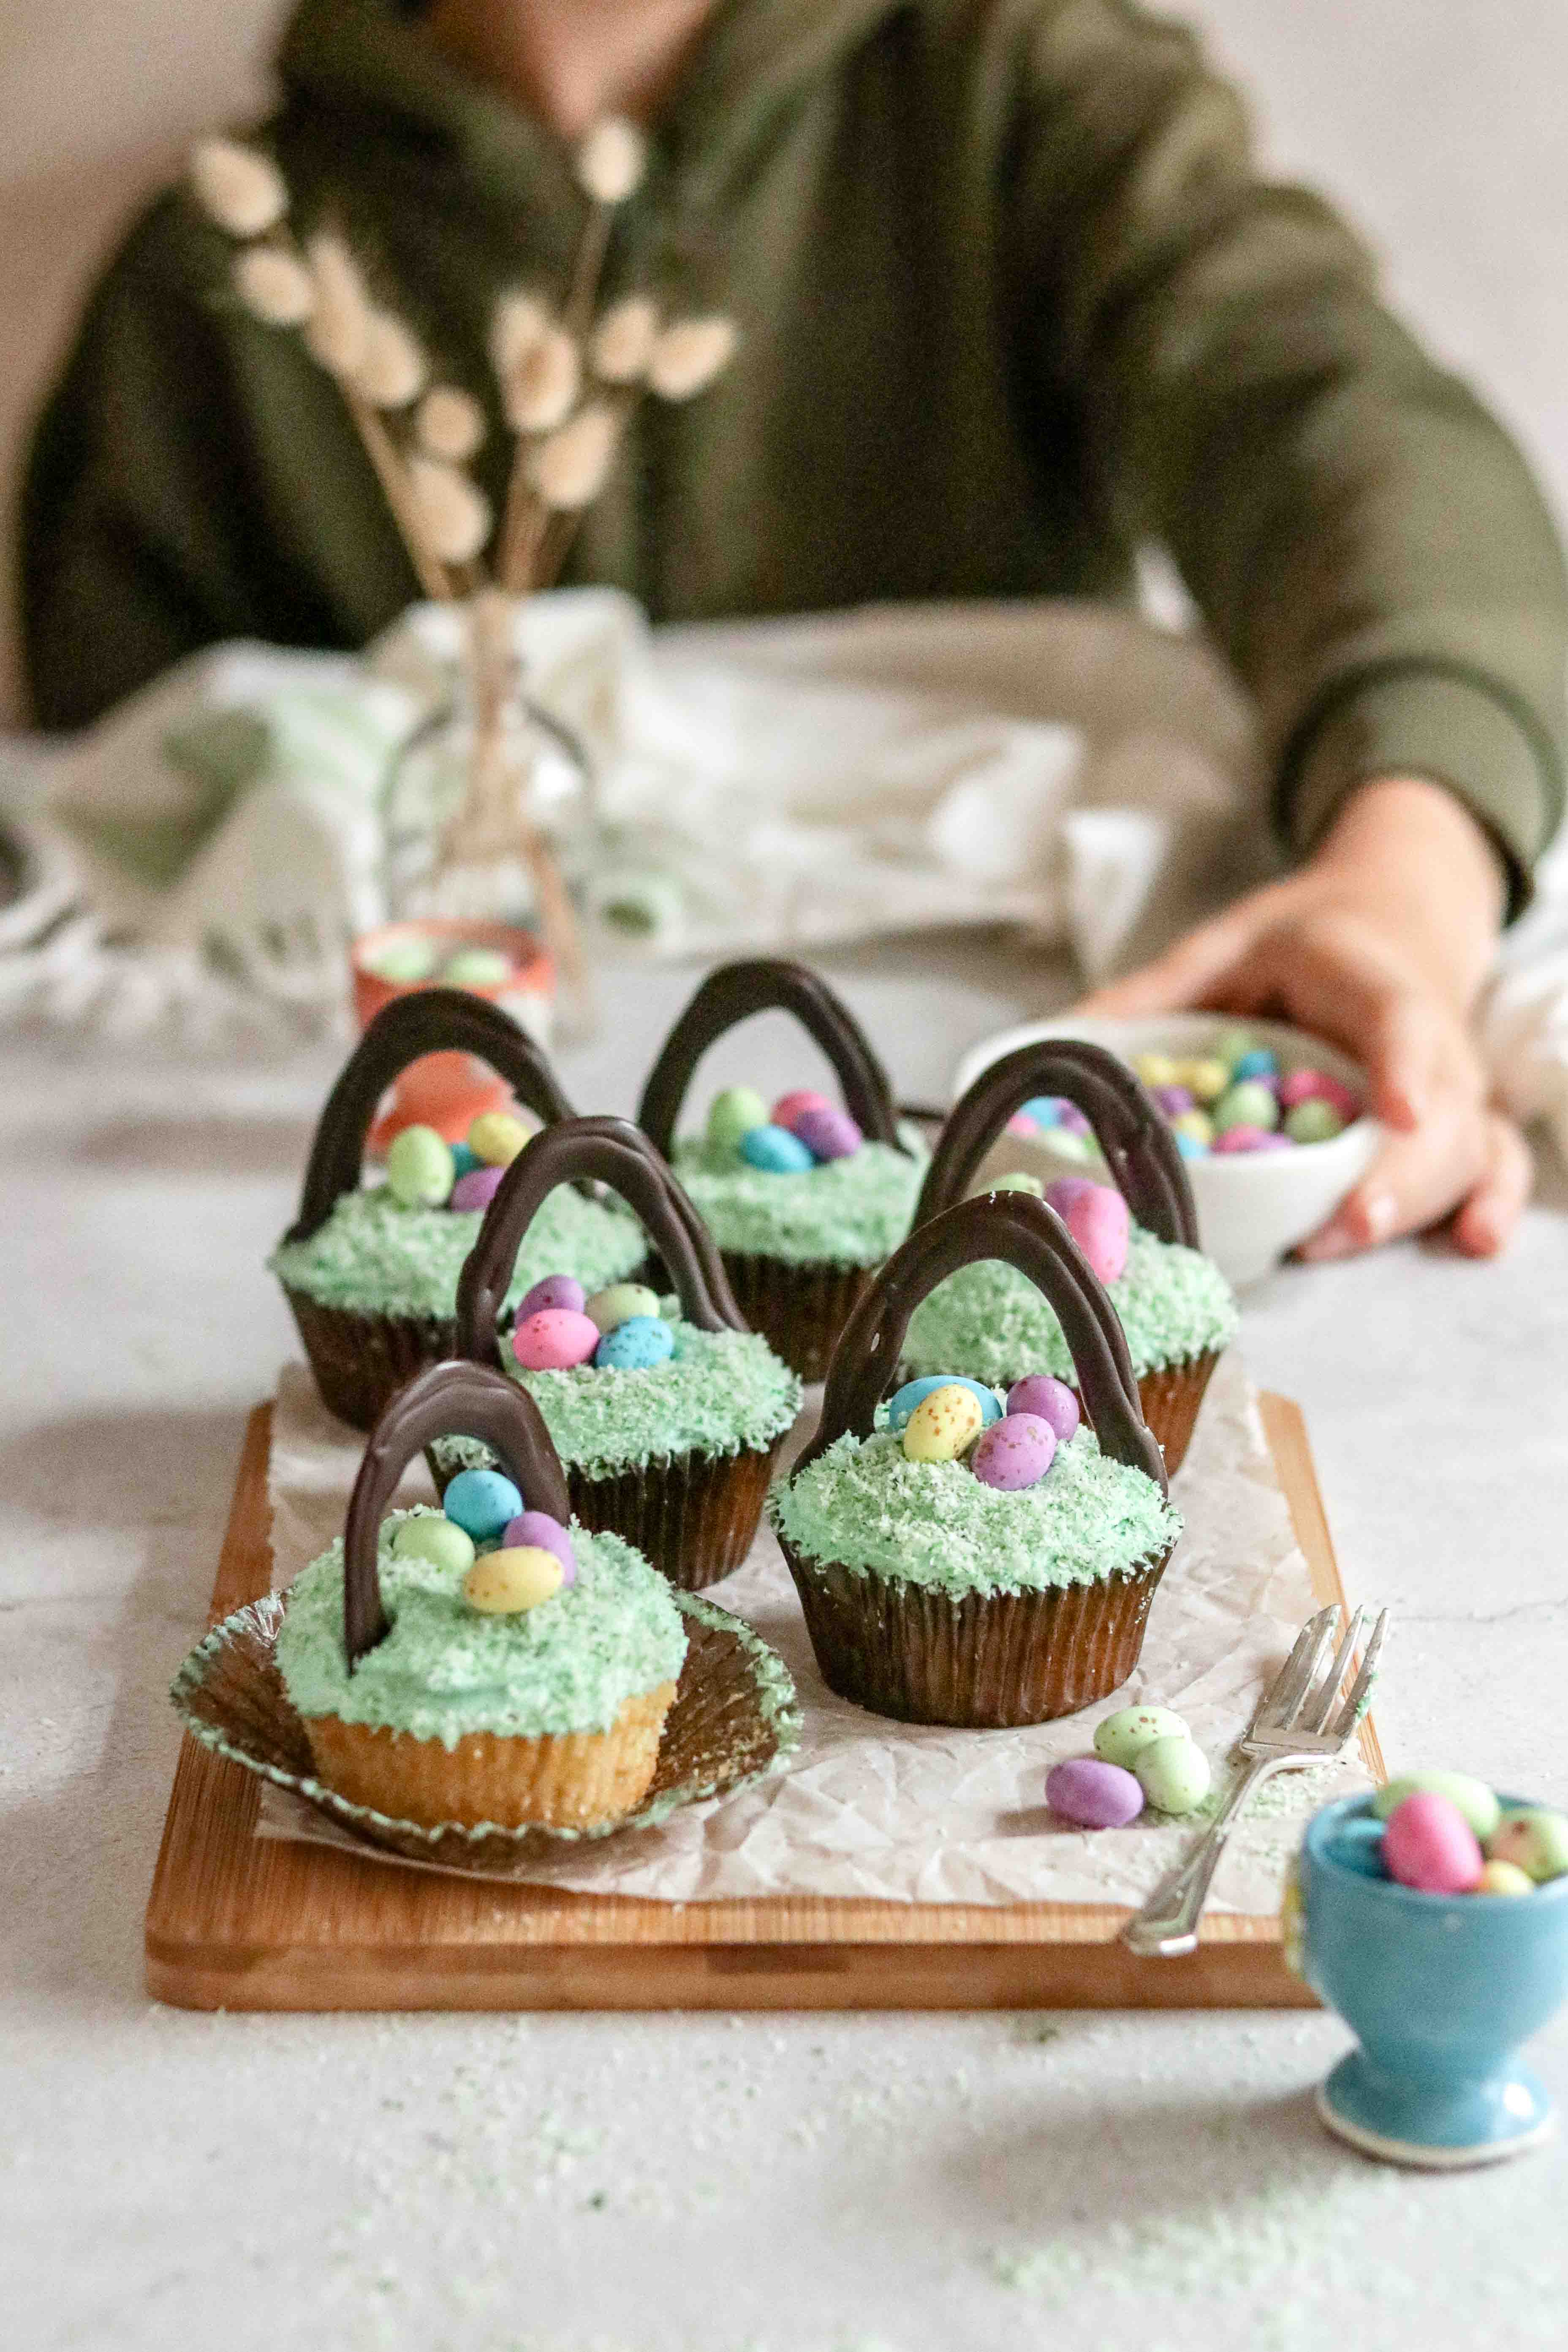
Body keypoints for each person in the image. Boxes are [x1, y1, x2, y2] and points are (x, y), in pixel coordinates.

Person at [20, 0, 1567, 1257]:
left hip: (1014, 1095)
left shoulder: (1021, 91)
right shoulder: (218, 277)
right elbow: (138, 847)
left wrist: (1400, 882)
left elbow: (1335, 430)